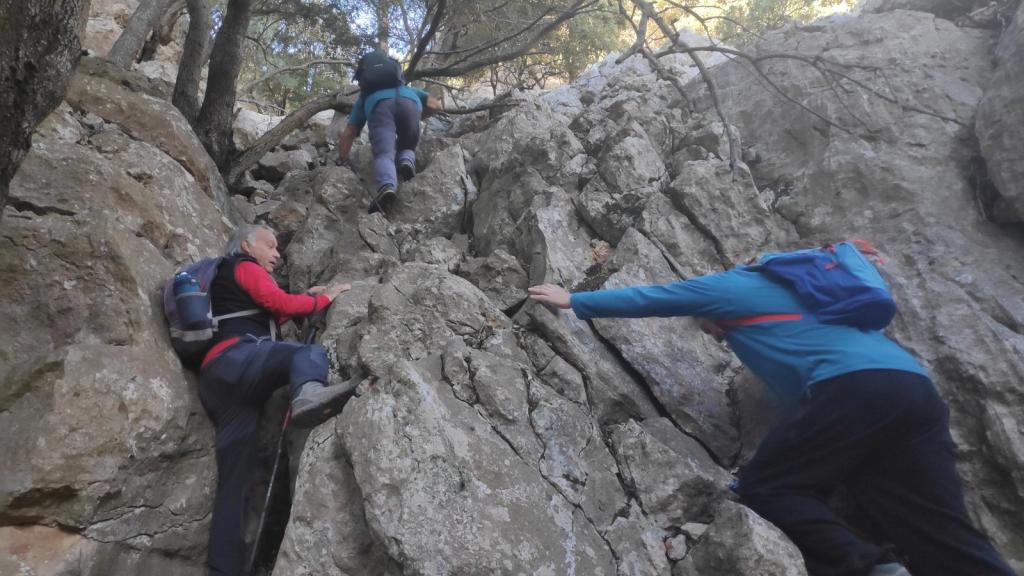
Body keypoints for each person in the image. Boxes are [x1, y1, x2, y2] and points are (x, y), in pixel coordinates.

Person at [527, 251, 1014, 576]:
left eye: (713, 330)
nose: (718, 338)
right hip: (915, 391)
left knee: (769, 487)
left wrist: (576, 301)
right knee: (929, 518)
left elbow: (660, 297)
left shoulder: (736, 287)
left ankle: (873, 568)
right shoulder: (809, 293)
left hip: (853, 388)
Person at [199, 224, 356, 576]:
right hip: (238, 360)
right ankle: (308, 395)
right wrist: (324, 299)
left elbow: (269, 311)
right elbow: (278, 302)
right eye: (269, 246)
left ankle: (222, 568)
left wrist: (307, 298)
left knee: (234, 483)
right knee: (306, 354)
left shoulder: (229, 280)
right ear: (245, 245)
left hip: (220, 383)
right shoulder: (243, 266)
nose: (277, 253)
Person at [336, 50, 443, 213]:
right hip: (410, 104)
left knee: (384, 153)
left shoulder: (365, 96)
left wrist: (341, 158)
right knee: (408, 144)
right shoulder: (409, 89)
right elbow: (436, 105)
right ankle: (406, 160)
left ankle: (387, 186)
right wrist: (419, 115)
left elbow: (350, 131)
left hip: (380, 108)